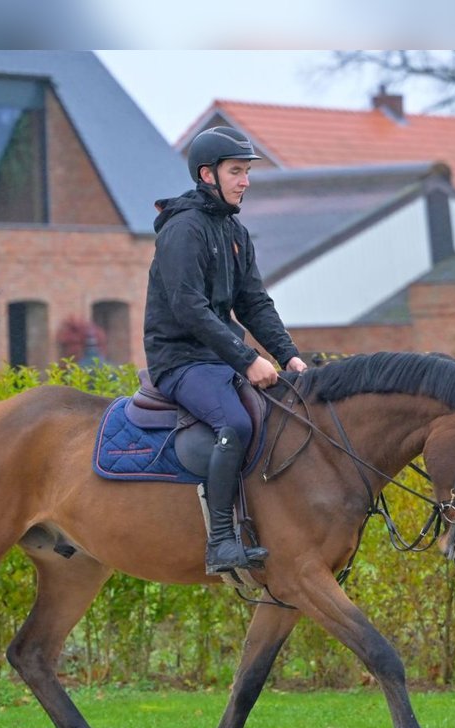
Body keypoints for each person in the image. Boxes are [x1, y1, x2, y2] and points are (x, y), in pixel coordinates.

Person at [143, 125, 308, 575]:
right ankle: (220, 543)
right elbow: (189, 308)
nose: (245, 181)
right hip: (179, 360)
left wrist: (287, 354)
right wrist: (247, 359)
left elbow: (254, 303)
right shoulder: (183, 231)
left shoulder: (234, 231)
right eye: (236, 171)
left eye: (247, 171)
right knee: (233, 422)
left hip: (217, 358)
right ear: (207, 175)